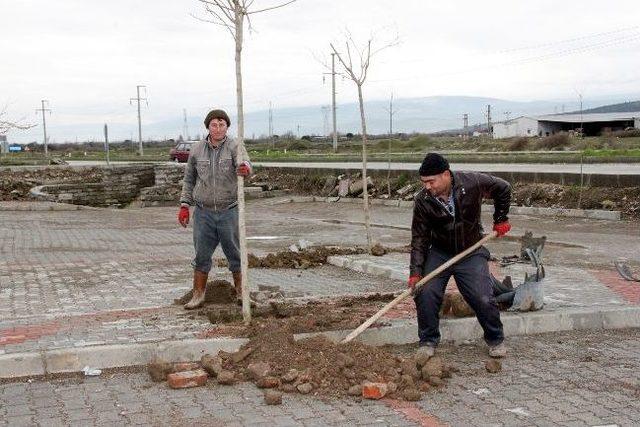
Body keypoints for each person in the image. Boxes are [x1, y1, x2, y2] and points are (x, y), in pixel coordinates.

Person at [408, 153, 512, 358]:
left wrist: (500, 218)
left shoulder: (472, 182)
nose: (427, 186)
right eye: (424, 182)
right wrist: (416, 272)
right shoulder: (423, 200)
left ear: (446, 174)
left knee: (482, 296)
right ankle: (428, 341)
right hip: (439, 253)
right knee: (425, 293)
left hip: (471, 250)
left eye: (431, 181)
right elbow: (419, 238)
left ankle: (495, 339)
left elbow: (503, 188)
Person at [177, 109, 251, 309]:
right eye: (214, 125)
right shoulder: (197, 150)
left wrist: (246, 170)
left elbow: (247, 165)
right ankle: (198, 295)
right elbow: (189, 179)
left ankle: (241, 293)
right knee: (201, 255)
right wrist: (185, 205)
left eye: (222, 124)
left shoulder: (235, 146)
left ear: (227, 127)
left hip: (229, 210)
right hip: (204, 212)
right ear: (208, 127)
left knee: (235, 254)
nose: (218, 128)